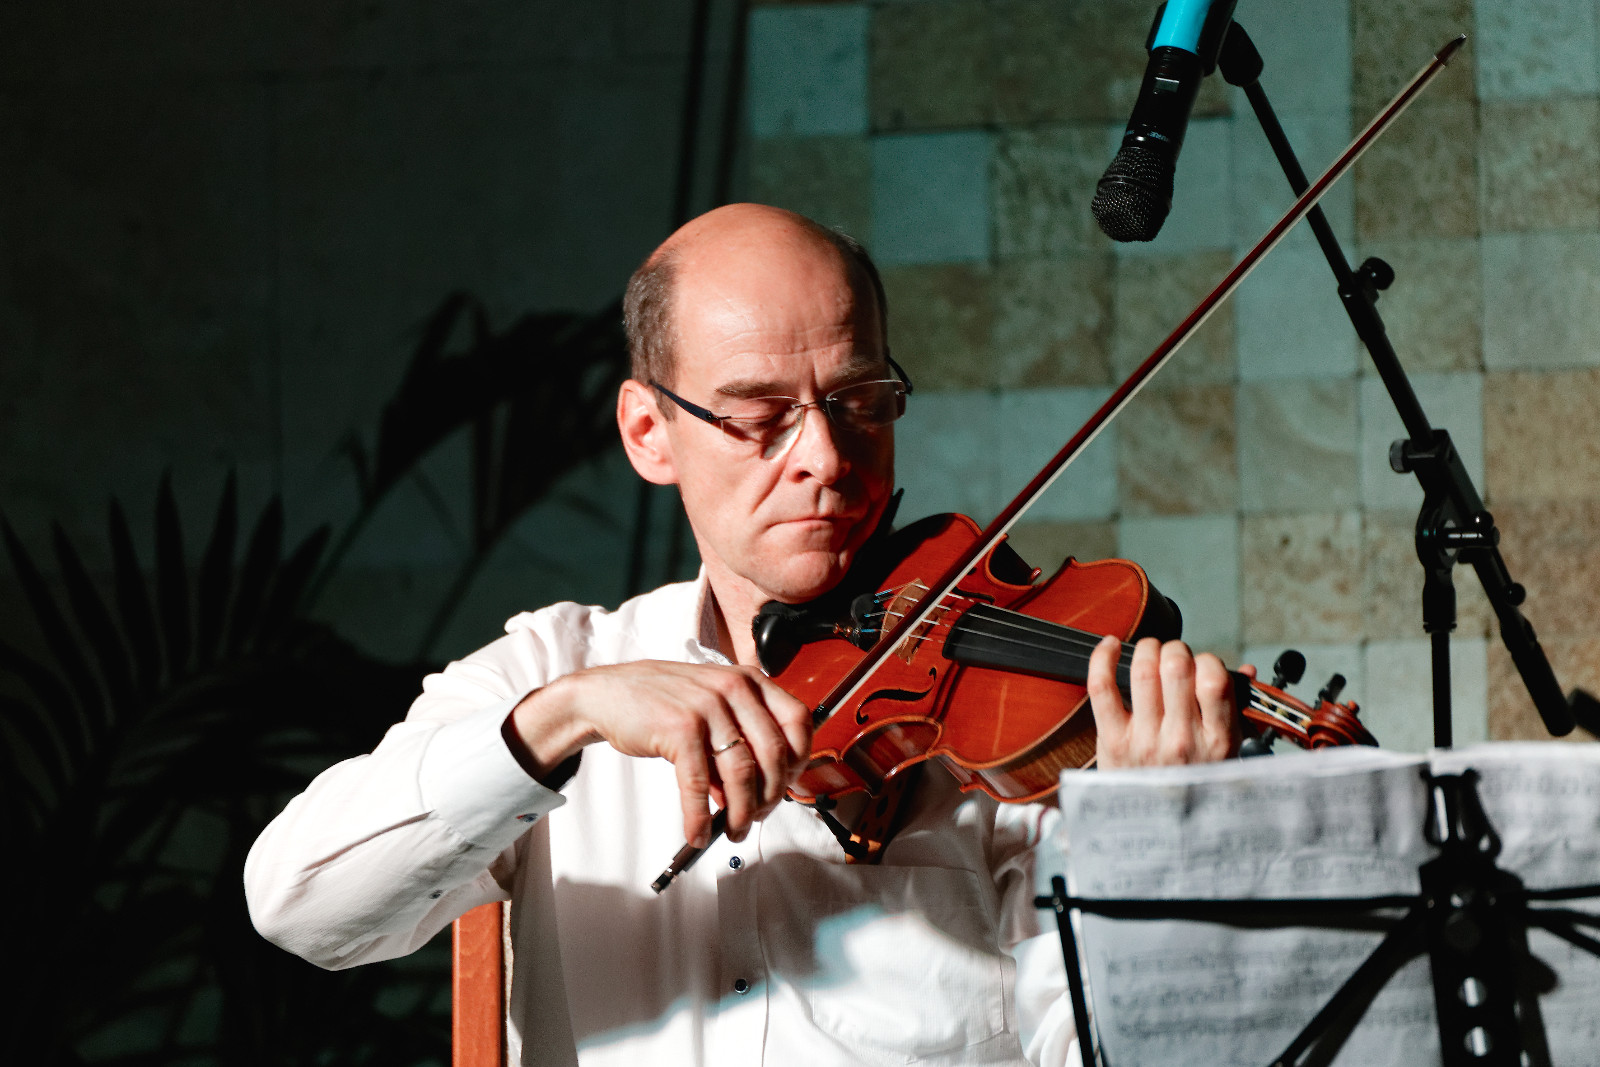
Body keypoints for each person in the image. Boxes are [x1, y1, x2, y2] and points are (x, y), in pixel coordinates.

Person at [245, 204, 1247, 1067]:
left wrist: (1150, 852)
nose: (825, 456)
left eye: (859, 402)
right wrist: (561, 718)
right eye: (760, 414)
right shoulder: (554, 664)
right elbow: (302, 904)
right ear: (649, 433)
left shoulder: (1009, 730)